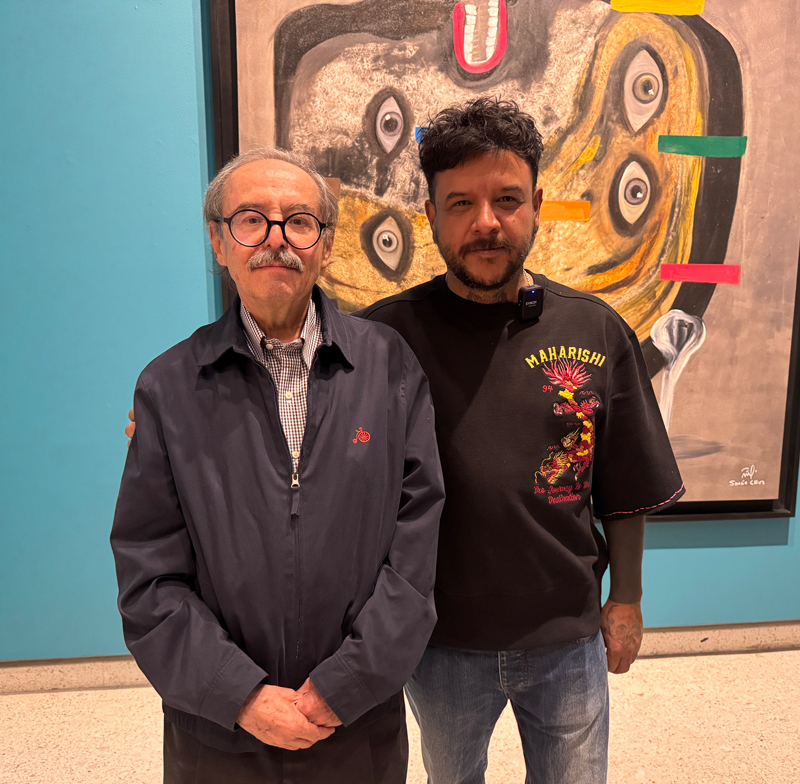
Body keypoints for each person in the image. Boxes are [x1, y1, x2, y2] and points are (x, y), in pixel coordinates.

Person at [357, 97, 685, 784]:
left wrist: (626, 599)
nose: (486, 222)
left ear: (536, 205)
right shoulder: (383, 338)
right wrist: (186, 416)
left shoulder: (595, 330)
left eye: (506, 199)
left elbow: (625, 484)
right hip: (439, 638)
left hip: (566, 634)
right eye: (461, 203)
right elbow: (299, 415)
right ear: (430, 215)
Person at [111, 147, 445, 784]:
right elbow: (149, 577)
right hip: (217, 735)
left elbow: (416, 555)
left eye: (299, 221)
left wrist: (343, 687)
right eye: (250, 220)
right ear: (219, 242)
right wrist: (240, 696)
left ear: (326, 244)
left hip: (355, 729)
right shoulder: (168, 387)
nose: (276, 239)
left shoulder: (390, 368)